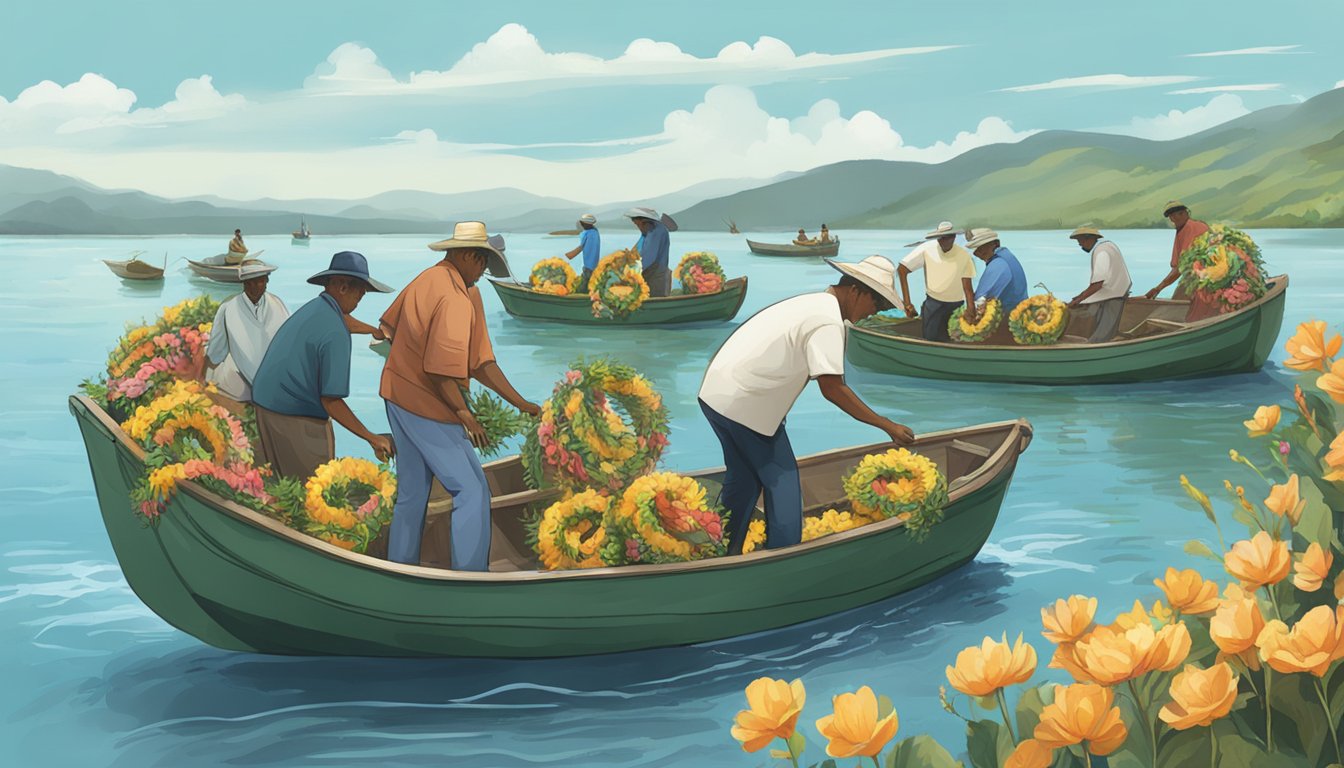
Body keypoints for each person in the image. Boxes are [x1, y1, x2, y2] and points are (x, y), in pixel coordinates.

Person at [699, 254, 916, 554]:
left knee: (744, 482)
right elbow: (833, 388)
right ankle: (782, 559)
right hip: (746, 403)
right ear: (856, 291)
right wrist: (886, 425)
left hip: (716, 395)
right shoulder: (827, 322)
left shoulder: (814, 304)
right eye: (876, 304)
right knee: (783, 483)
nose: (873, 313)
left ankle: (721, 552)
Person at [381, 221, 540, 571]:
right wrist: (463, 413)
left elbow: (480, 362)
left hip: (396, 394)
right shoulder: (454, 297)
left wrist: (521, 403)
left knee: (411, 493)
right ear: (468, 256)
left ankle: (400, 568)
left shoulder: (434, 282)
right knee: (472, 490)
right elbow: (440, 370)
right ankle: (470, 577)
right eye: (482, 263)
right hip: (429, 405)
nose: (484, 272)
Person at [249, 251, 396, 480]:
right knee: (316, 489)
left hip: (264, 405)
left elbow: (343, 320)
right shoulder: (335, 333)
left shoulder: (318, 308)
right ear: (342, 287)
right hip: (294, 418)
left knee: (274, 485)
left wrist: (374, 331)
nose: (361, 298)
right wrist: (371, 437)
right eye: (360, 292)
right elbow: (331, 401)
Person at [203, 262, 289, 406]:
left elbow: (288, 344)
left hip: (272, 378)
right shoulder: (228, 308)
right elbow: (216, 351)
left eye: (259, 281)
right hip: (248, 378)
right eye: (250, 282)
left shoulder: (278, 305)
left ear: (266, 281)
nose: (254, 286)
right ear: (244, 283)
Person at [896, 221, 977, 342]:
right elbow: (902, 270)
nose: (943, 241)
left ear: (954, 237)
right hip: (933, 305)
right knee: (930, 340)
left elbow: (968, 288)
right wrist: (907, 303)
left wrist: (971, 309)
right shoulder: (927, 249)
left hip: (956, 307)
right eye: (940, 238)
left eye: (947, 238)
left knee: (952, 341)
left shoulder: (964, 255)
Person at [1067, 226, 1132, 343]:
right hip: (1115, 291)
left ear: (1088, 239)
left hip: (1113, 296)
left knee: (1102, 335)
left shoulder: (1101, 252)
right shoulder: (1108, 246)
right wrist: (1080, 297)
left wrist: (1078, 300)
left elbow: (1097, 284)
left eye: (1080, 242)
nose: (1080, 245)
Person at [1144, 200, 1210, 301]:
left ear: (1186, 213)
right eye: (1171, 216)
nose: (1173, 219)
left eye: (1177, 215)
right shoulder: (1183, 229)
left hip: (1203, 276)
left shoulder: (1191, 228)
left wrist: (1158, 288)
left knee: (1178, 300)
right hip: (1198, 275)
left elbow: (1180, 267)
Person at [966, 228, 1028, 312]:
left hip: (1010, 316)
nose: (977, 253)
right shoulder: (1006, 255)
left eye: (981, 247)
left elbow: (979, 299)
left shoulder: (998, 263)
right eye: (975, 248)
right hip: (1020, 311)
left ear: (996, 244)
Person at [626, 207, 671, 297]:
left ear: (644, 221)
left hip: (656, 275)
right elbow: (637, 249)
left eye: (637, 224)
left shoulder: (656, 232)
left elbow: (648, 257)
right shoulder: (648, 232)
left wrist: (632, 273)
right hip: (651, 273)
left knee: (655, 301)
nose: (638, 227)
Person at [564, 214, 601, 292]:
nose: (581, 225)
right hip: (595, 263)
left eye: (582, 223)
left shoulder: (587, 233)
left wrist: (568, 256)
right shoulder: (595, 232)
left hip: (588, 264)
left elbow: (581, 247)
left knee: (584, 283)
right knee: (591, 281)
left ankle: (582, 295)